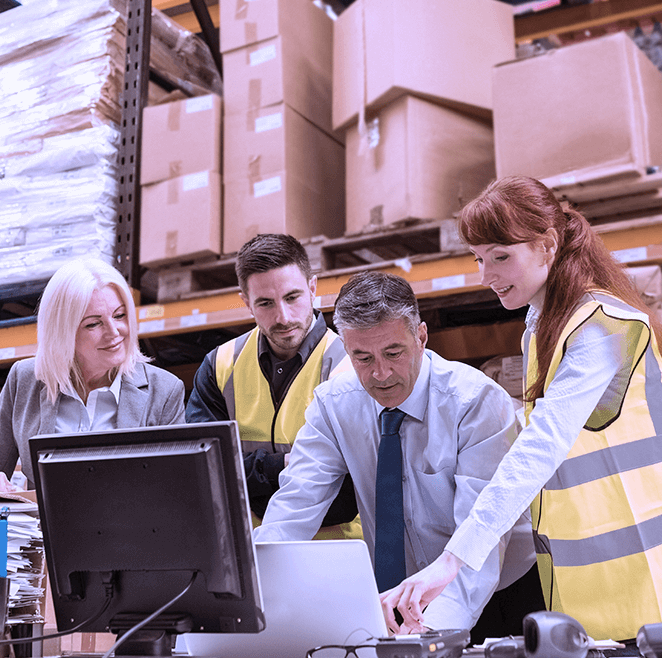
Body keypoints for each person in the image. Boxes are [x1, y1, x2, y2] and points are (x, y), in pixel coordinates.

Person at [381, 175, 662, 643]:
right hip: (600, 588)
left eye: (501, 256)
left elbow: (543, 445)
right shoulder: (545, 322)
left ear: (547, 245)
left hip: (656, 584)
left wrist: (454, 560)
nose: (486, 275)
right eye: (479, 258)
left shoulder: (599, 327)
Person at [255, 271, 542, 636]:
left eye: (393, 352)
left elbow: (481, 541)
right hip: (394, 598)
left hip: (496, 593)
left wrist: (431, 633)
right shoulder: (334, 405)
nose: (381, 373)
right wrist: (245, 596)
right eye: (362, 357)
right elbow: (292, 509)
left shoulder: (475, 403)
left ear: (421, 336)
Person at [185, 233, 361, 539]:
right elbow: (202, 469)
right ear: (246, 302)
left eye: (292, 297)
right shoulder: (220, 366)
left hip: (337, 551)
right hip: (252, 553)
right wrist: (281, 465)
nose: (283, 316)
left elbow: (349, 484)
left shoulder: (351, 363)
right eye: (265, 303)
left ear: (313, 288)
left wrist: (249, 473)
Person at [0, 257, 185, 491]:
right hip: (39, 528)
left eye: (119, 315)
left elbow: (172, 490)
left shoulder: (165, 391)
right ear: (62, 333)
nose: (114, 332)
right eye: (93, 324)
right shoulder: (24, 379)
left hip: (127, 527)